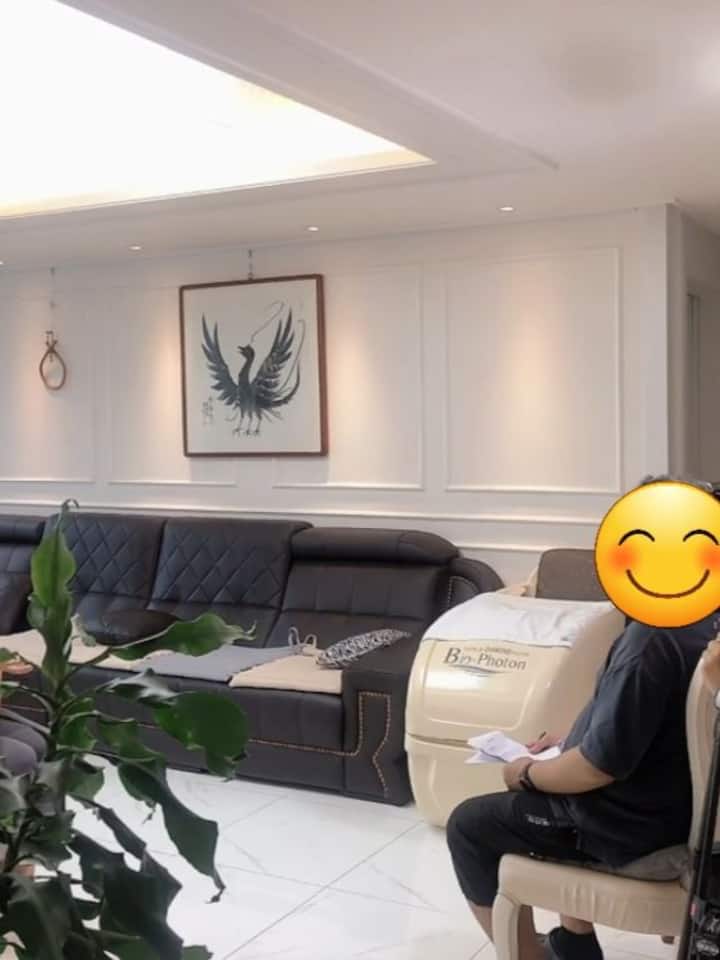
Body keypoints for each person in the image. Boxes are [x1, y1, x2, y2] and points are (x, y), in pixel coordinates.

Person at [447, 479, 719, 960]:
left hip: (628, 831)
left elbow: (597, 769)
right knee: (555, 779)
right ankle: (574, 944)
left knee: (470, 825)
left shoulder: (652, 639)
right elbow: (644, 727)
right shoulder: (703, 622)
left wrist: (525, 773)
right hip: (668, 808)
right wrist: (574, 739)